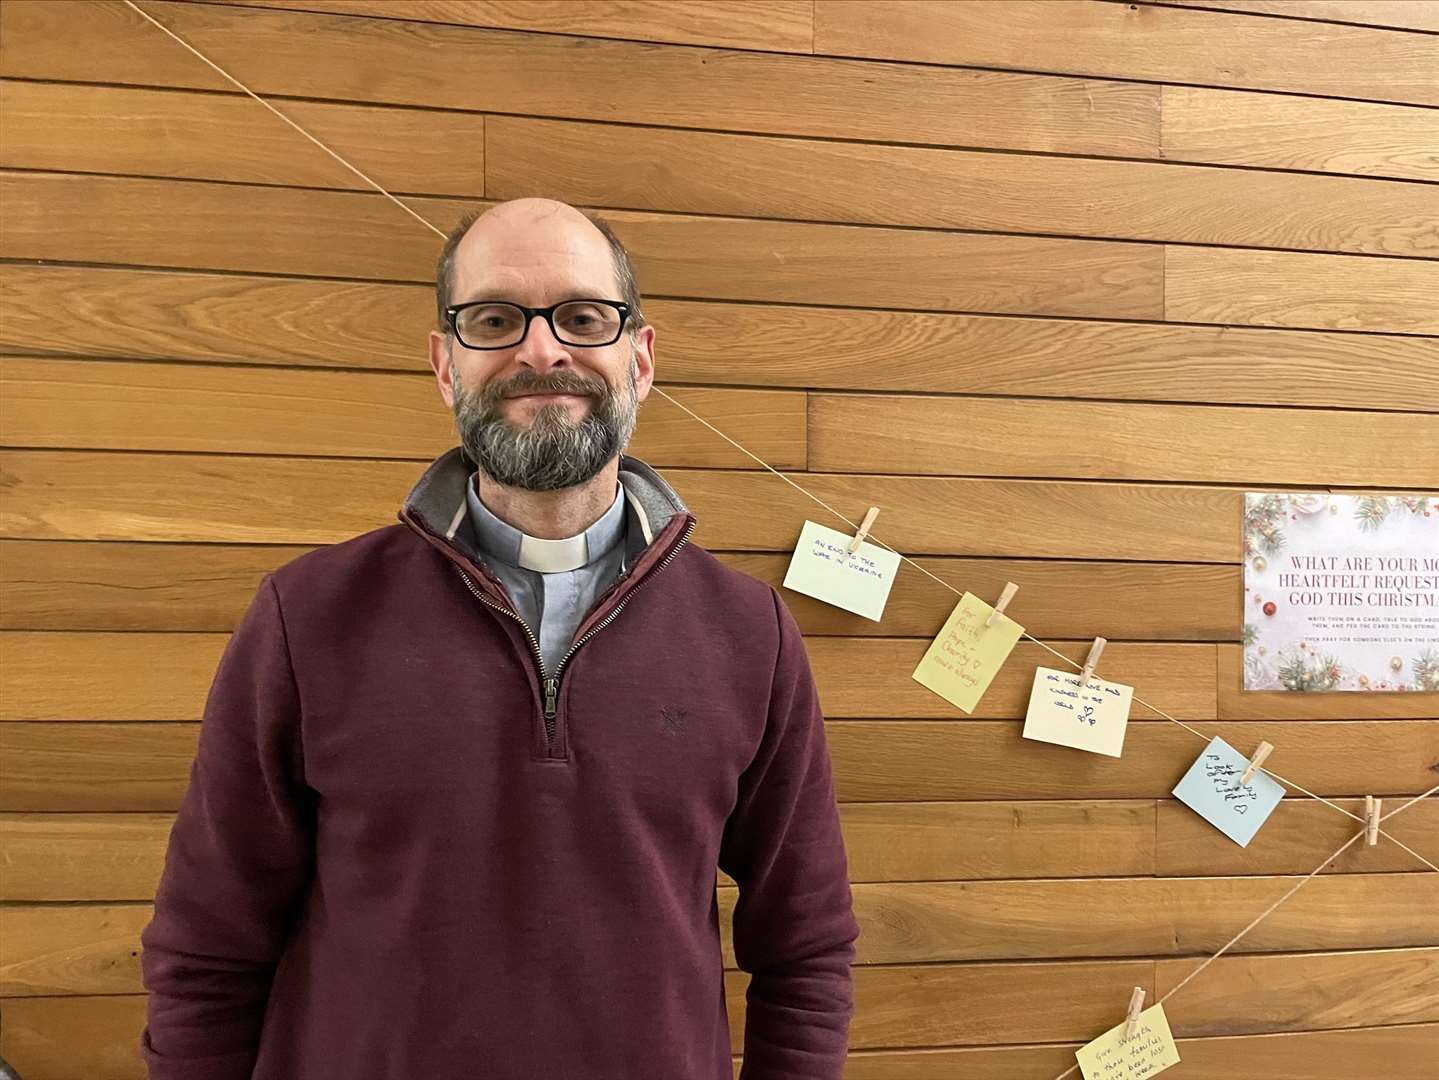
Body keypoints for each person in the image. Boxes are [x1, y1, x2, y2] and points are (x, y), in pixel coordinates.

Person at [138, 197, 860, 1079]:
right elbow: (207, 946)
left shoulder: (751, 633)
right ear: (446, 365)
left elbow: (806, 949)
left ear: (640, 357)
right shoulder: (308, 616)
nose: (541, 350)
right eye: (494, 320)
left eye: (583, 316)